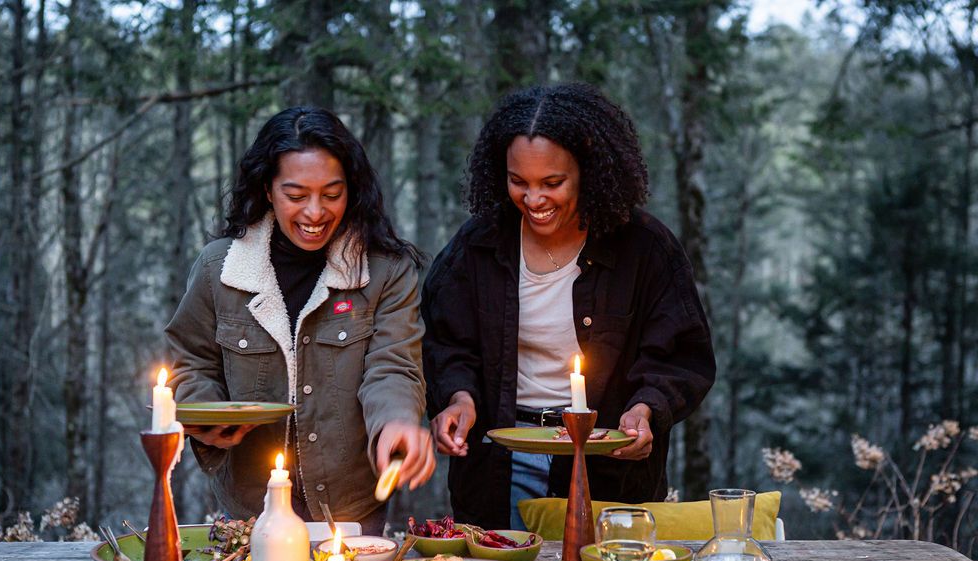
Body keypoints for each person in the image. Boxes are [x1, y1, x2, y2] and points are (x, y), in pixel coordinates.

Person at [422, 83, 716, 531]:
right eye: (518, 181)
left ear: (588, 171)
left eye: (552, 183)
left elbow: (680, 354)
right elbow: (446, 341)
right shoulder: (478, 245)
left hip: (607, 467)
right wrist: (457, 397)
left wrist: (646, 409)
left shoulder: (644, 248)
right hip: (500, 462)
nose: (534, 200)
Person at [166, 106, 434, 535]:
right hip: (249, 510)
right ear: (268, 191)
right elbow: (190, 361)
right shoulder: (220, 268)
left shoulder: (386, 270)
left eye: (332, 194)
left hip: (351, 512)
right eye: (296, 195)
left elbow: (394, 364)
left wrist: (397, 420)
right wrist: (208, 415)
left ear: (353, 190)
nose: (315, 212)